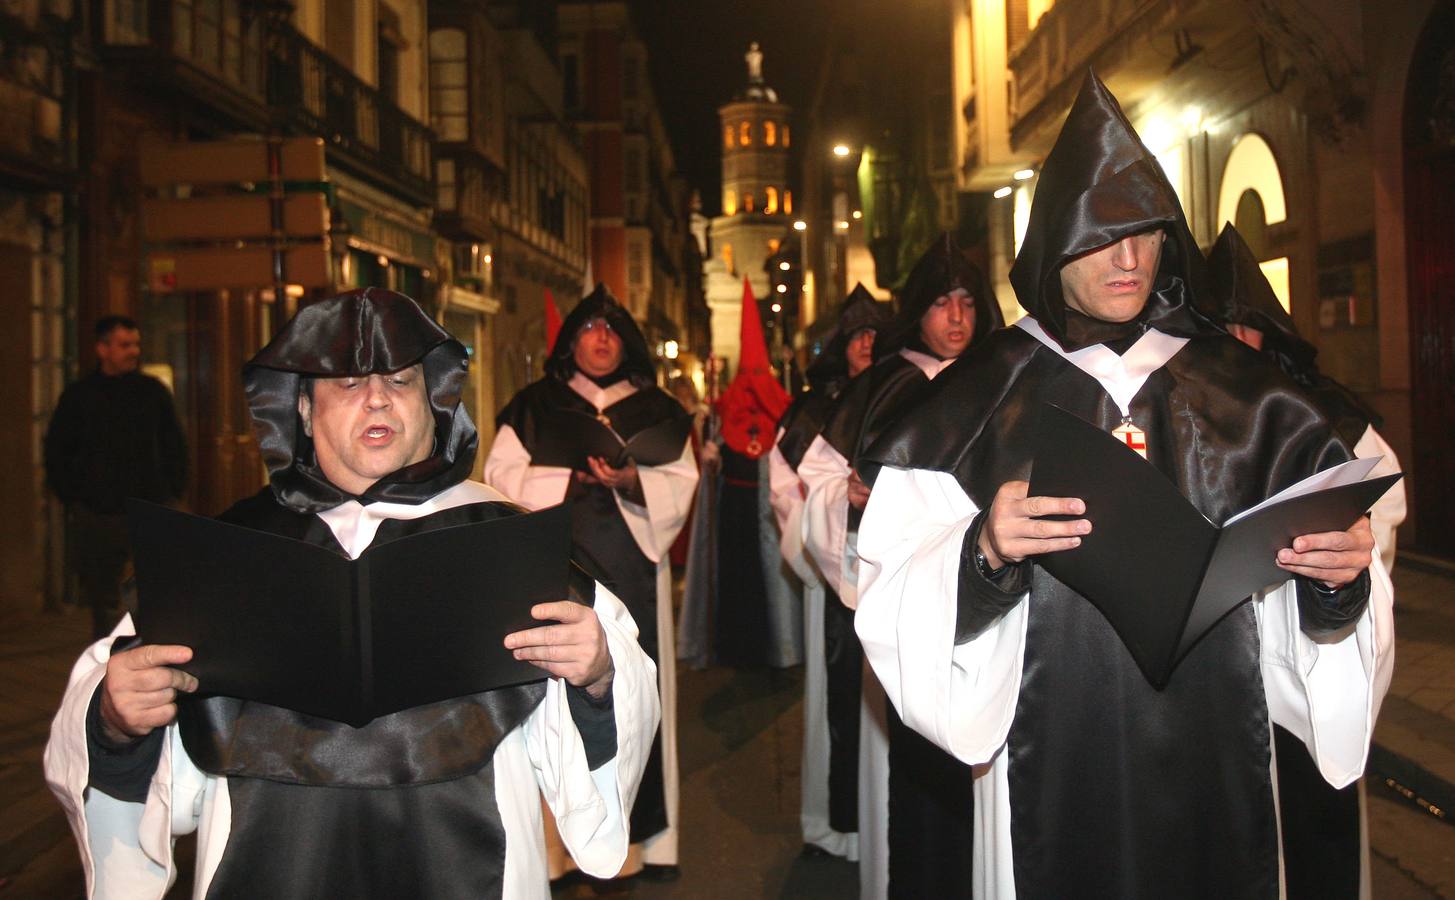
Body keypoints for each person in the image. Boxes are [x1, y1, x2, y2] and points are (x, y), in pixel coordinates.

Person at [856, 71, 1392, 899]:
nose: (1129, 257)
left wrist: (1335, 586)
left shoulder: (1250, 392)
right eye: (1103, 235)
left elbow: (1314, 607)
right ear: (1053, 245)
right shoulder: (974, 398)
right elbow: (891, 587)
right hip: (1050, 753)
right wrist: (982, 556)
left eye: (1144, 233)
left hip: (1221, 748)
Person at [44, 288, 660, 898]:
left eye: (399, 381)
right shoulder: (224, 551)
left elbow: (613, 701)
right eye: (346, 384)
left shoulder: (509, 540)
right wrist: (115, 717)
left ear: (434, 403)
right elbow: (113, 700)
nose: (376, 399)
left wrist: (600, 675)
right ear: (305, 411)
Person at [798, 239, 1003, 899]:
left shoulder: (1006, 376)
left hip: (993, 589)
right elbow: (816, 482)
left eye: (968, 302)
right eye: (942, 302)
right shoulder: (882, 385)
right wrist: (845, 498)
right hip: (909, 592)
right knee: (916, 769)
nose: (955, 317)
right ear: (917, 311)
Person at [1208, 223, 1405, 900]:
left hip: (1307, 642)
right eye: (1222, 324)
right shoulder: (1189, 414)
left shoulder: (1324, 414)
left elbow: (1381, 508)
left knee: (1310, 816)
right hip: (1222, 660)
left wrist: (1342, 557)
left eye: (1248, 325)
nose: (1237, 340)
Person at [485, 284, 697, 881]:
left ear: (625, 341)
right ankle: (557, 853)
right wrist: (568, 478)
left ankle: (640, 844)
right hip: (558, 563)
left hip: (632, 563)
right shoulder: (534, 405)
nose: (601, 339)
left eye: (611, 330)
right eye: (589, 329)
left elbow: (681, 479)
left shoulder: (654, 406)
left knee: (632, 689)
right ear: (571, 340)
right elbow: (500, 478)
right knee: (549, 696)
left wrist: (633, 482)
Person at [768, 283, 890, 860]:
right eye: (858, 334)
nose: (868, 343)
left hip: (895, 570)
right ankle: (837, 824)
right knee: (837, 705)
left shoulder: (903, 394)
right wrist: (837, 506)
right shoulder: (813, 412)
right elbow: (786, 492)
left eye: (877, 333)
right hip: (836, 568)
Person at [44, 315, 188, 637]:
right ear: (102, 348)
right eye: (124, 345)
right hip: (99, 512)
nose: (133, 351)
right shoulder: (80, 396)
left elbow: (173, 444)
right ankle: (105, 661)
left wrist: (172, 491)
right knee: (104, 599)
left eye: (135, 344)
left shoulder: (152, 393)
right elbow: (58, 451)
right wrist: (77, 496)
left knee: (158, 593)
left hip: (150, 508)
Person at [710, 278, 798, 669]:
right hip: (735, 508)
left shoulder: (780, 408)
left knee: (770, 581)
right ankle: (737, 648)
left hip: (768, 510)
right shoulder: (726, 409)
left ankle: (775, 647)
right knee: (739, 580)